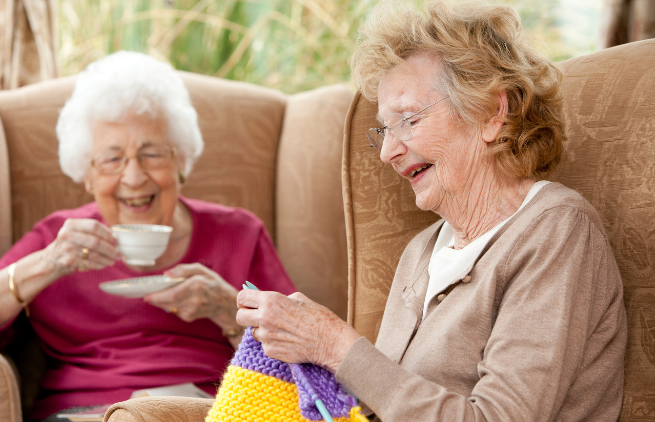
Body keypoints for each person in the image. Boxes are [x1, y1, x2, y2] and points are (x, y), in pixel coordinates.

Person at [236, 1, 627, 421]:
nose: (388, 151)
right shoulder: (422, 251)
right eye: (384, 129)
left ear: (492, 113)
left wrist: (334, 345)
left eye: (409, 119)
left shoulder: (556, 230)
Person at [0, 51, 296, 421]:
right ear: (87, 175)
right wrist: (47, 263)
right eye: (111, 159)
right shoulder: (58, 239)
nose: (134, 177)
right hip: (87, 413)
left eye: (152, 153)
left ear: (181, 163)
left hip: (204, 412)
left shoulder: (239, 233)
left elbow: (302, 359)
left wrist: (226, 310)